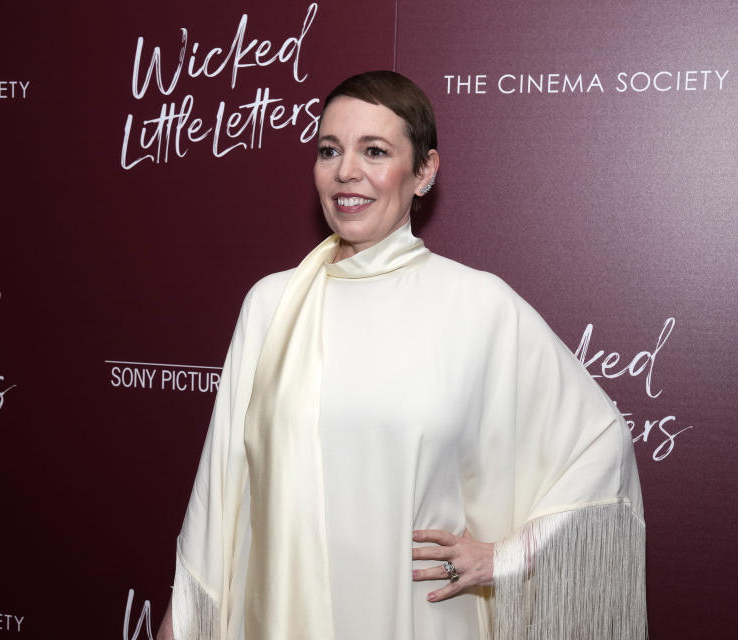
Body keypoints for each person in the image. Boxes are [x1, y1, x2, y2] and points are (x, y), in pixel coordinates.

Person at [156, 70, 646, 640]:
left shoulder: (478, 306)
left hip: (424, 617)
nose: (346, 171)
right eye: (329, 150)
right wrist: (182, 622)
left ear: (424, 172)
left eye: (375, 151)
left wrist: (508, 557)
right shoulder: (270, 305)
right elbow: (222, 496)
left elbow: (599, 443)